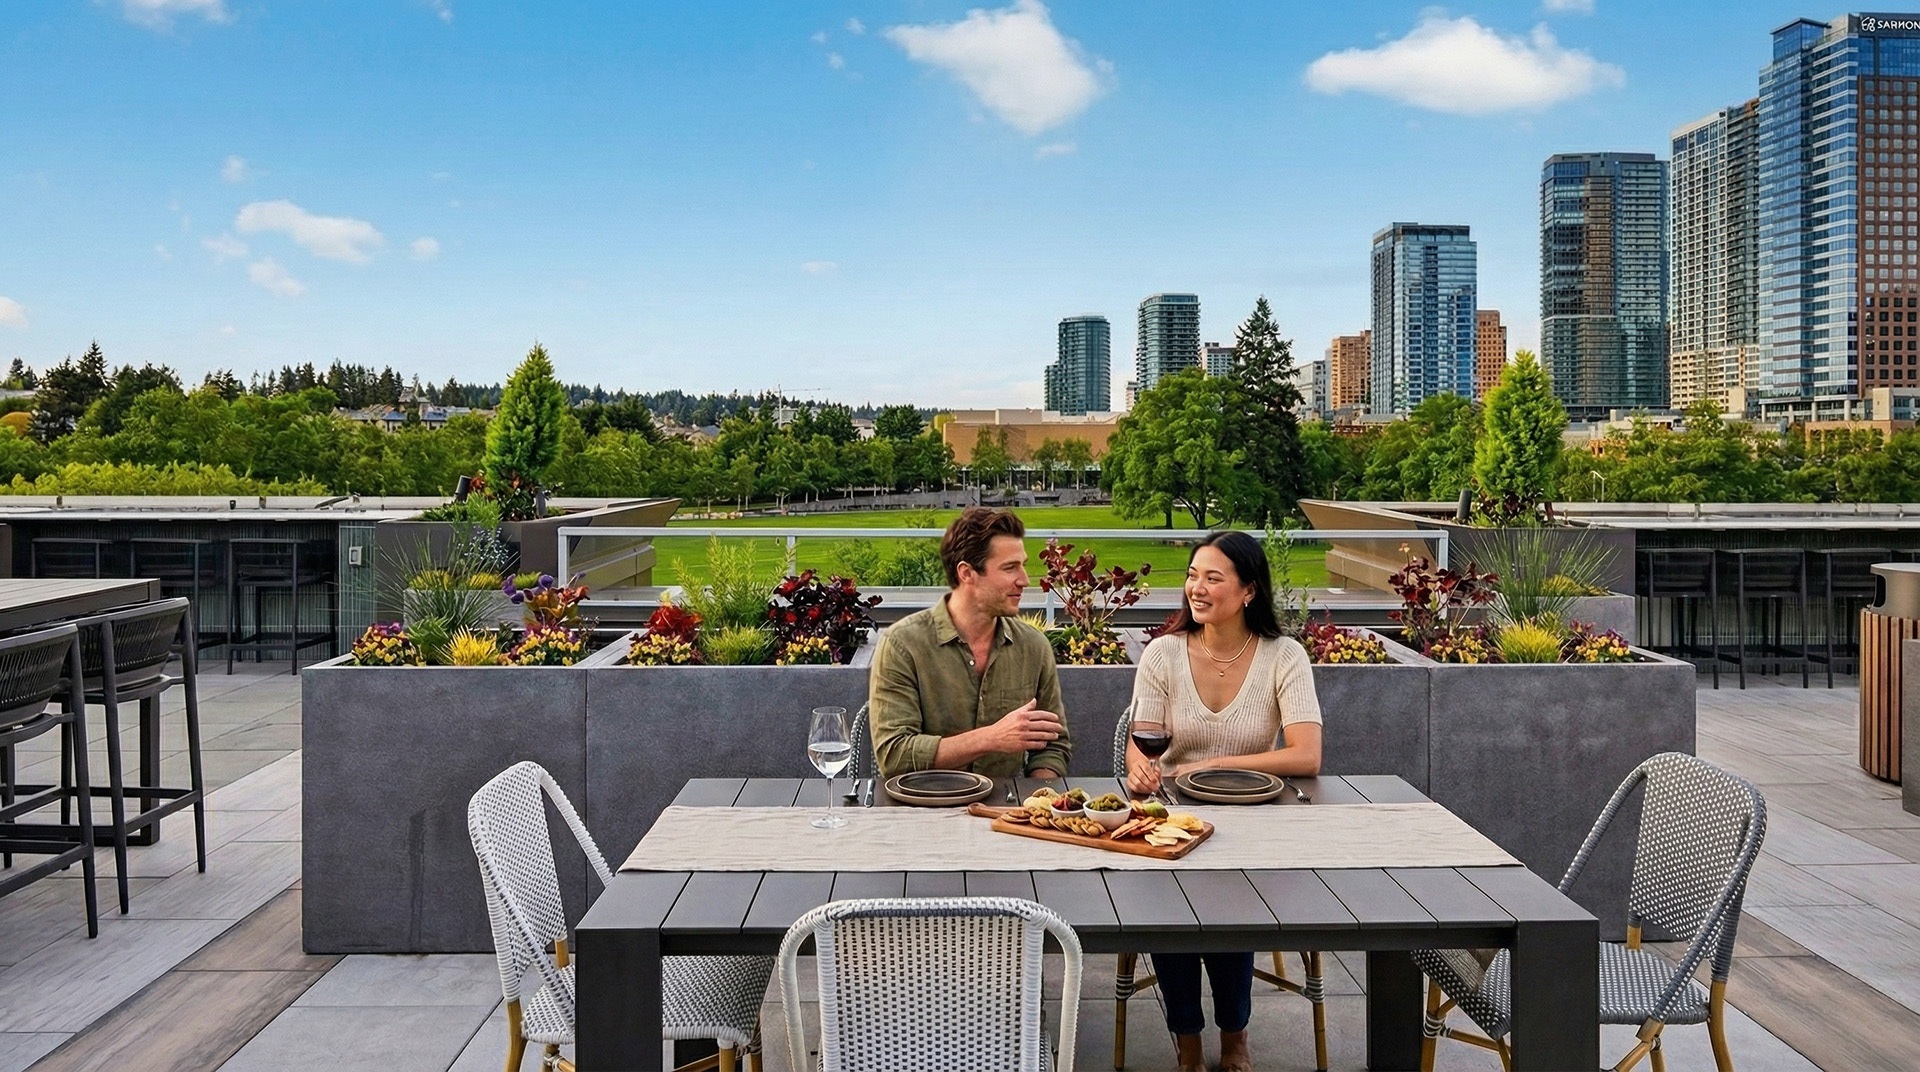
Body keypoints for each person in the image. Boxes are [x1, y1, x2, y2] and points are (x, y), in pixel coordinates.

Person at [1124, 529, 1323, 1072]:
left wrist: (1215, 764)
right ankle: (1187, 1043)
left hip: (1252, 818)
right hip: (1169, 815)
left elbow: (1306, 756)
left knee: (1232, 903)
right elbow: (1141, 737)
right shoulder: (1162, 654)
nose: (1197, 587)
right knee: (1170, 908)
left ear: (1249, 591)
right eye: (1192, 575)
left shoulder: (1284, 656)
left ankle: (1234, 1036)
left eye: (1213, 577)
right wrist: (1137, 766)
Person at [869, 507, 1070, 782]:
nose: (1024, 580)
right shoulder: (903, 645)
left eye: (1022, 565)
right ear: (967, 573)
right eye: (1010, 567)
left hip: (1006, 814)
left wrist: (1035, 799)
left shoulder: (1033, 646)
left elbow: (1052, 746)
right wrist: (991, 738)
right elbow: (895, 756)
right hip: (923, 809)